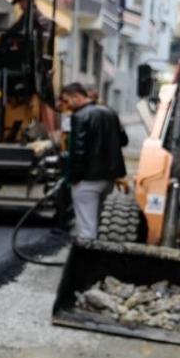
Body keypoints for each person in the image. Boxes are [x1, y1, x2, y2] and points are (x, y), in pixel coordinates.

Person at [63, 82, 129, 240]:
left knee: (86, 227)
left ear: (77, 97)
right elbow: (123, 141)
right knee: (97, 221)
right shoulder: (111, 112)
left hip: (87, 180)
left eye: (66, 100)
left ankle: (85, 261)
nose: (65, 105)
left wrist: (74, 178)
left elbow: (78, 151)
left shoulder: (79, 116)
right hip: (108, 179)